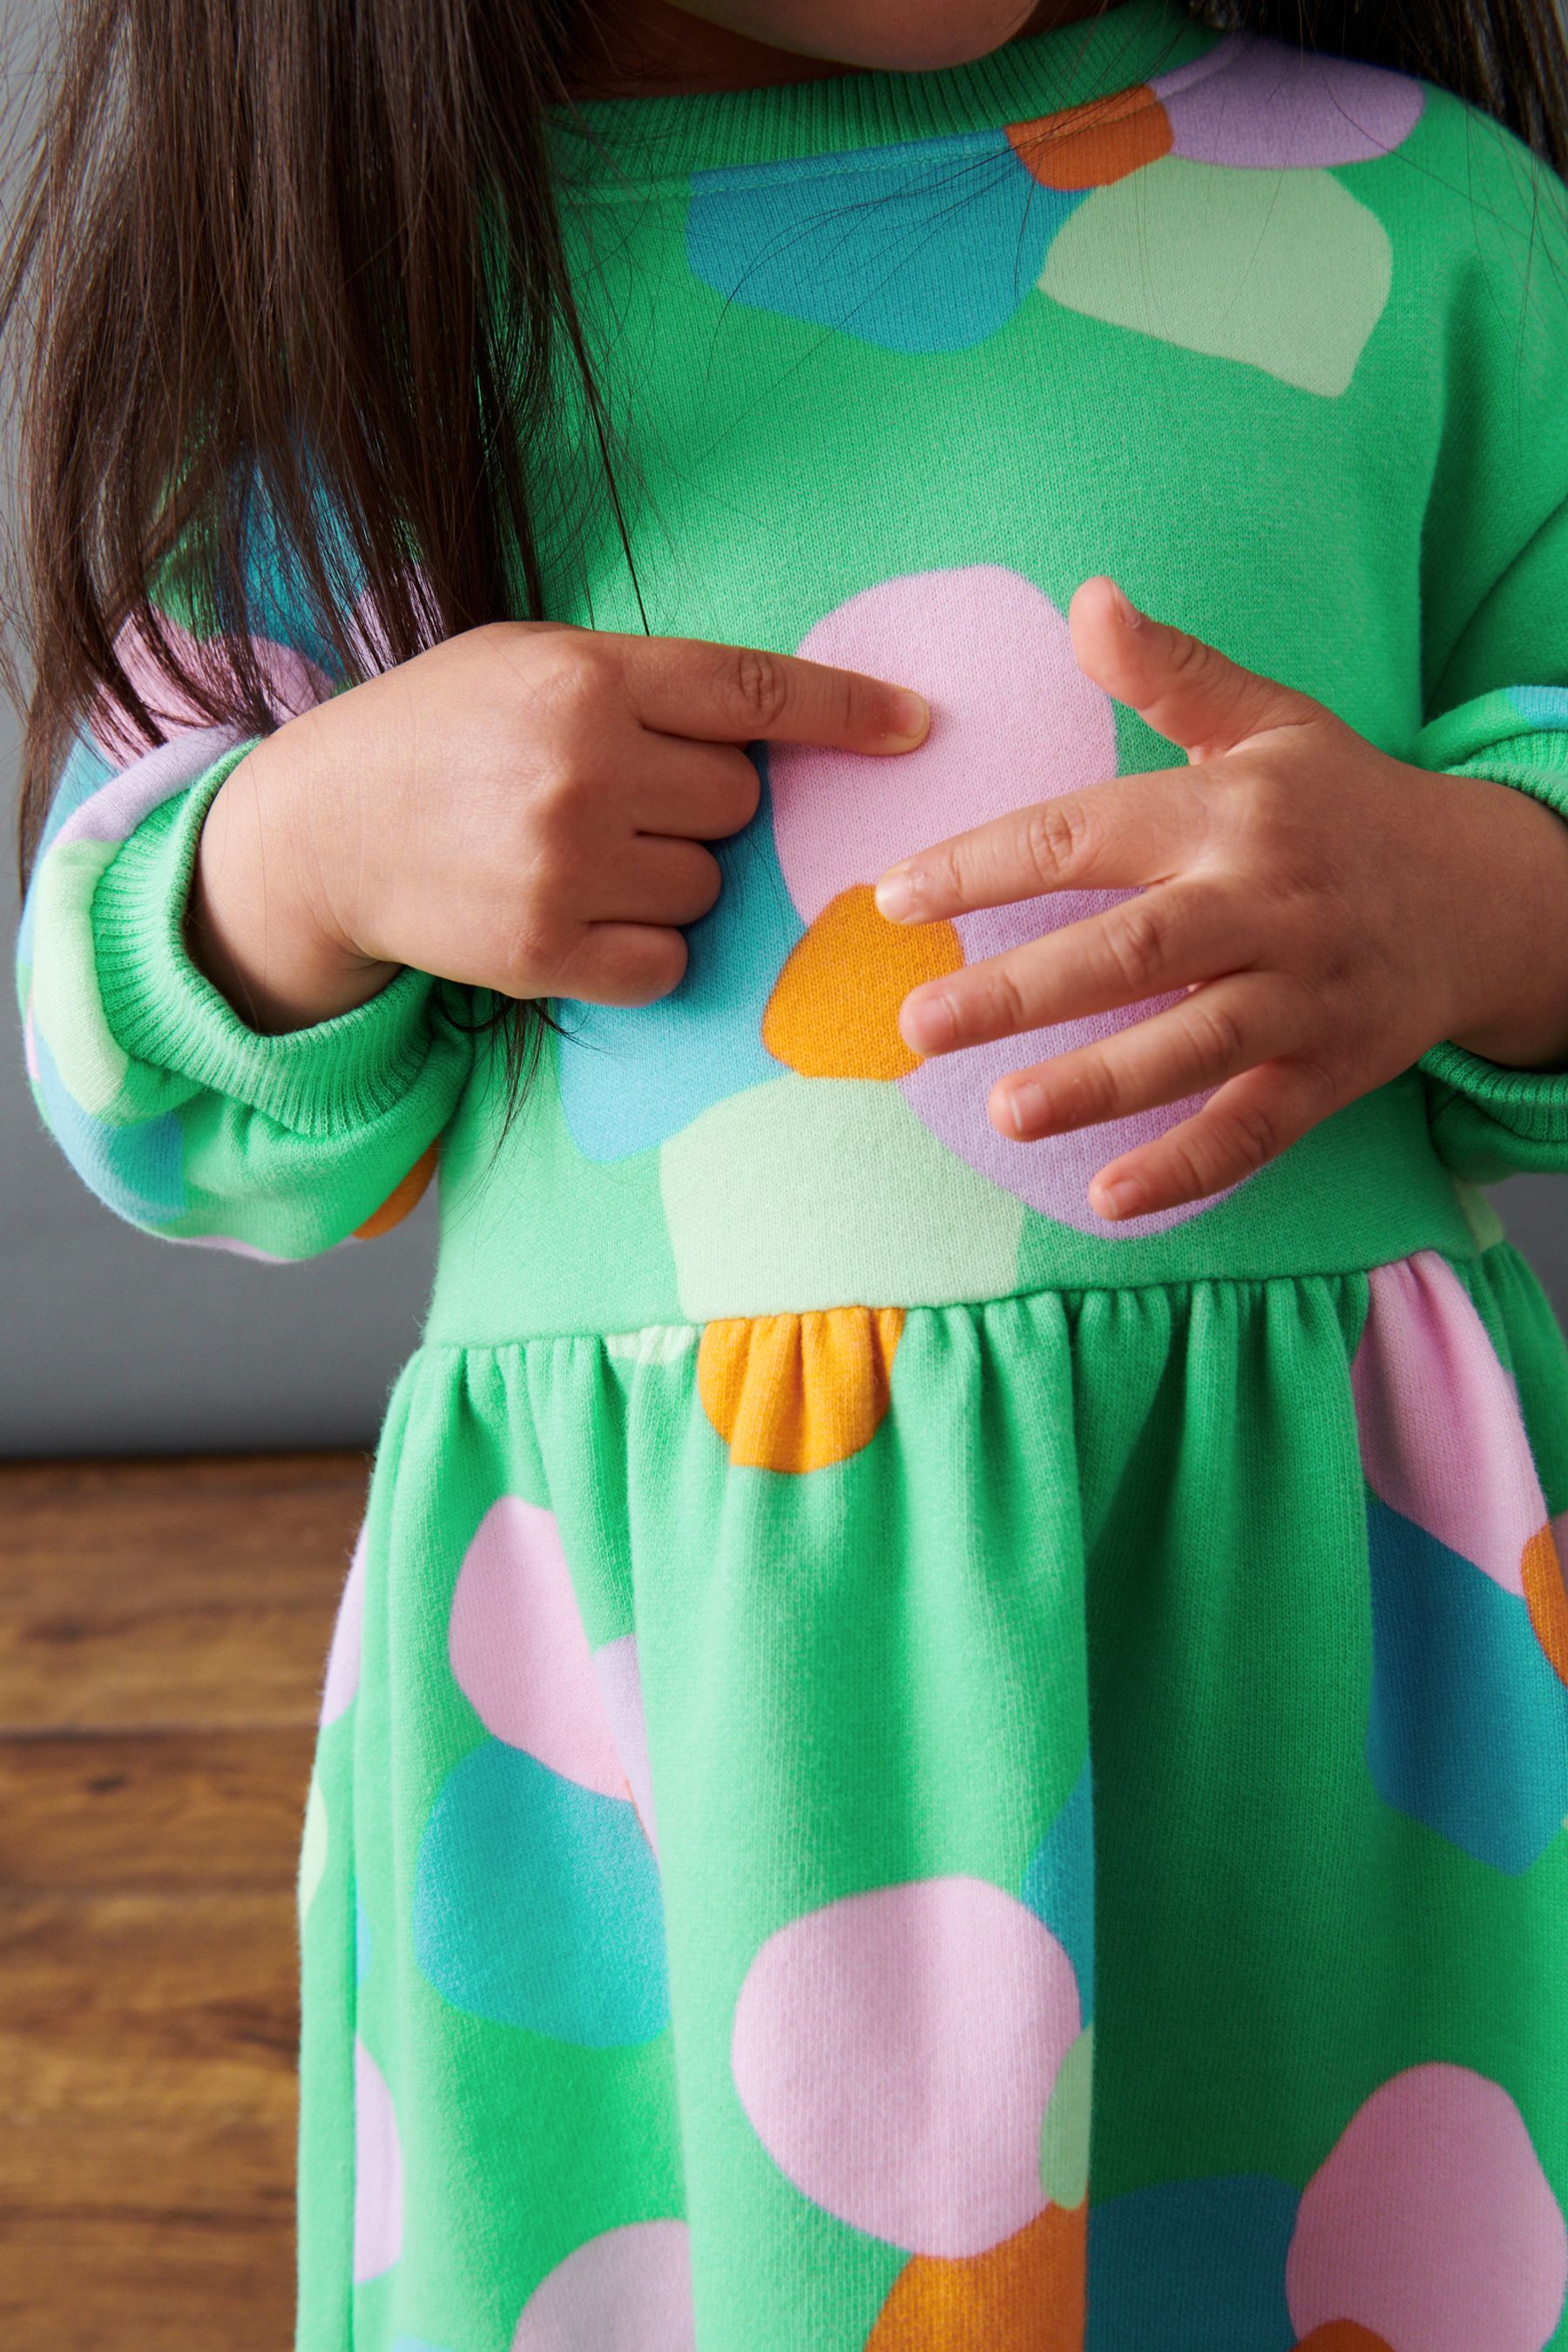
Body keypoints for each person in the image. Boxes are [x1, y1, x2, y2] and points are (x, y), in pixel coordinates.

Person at [11, 0, 1568, 2342]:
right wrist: (311, 846)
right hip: (666, 1746)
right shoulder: (378, 298)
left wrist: (1459, 897)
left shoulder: (1419, 225)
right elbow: (126, 1051)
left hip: (1326, 1685)